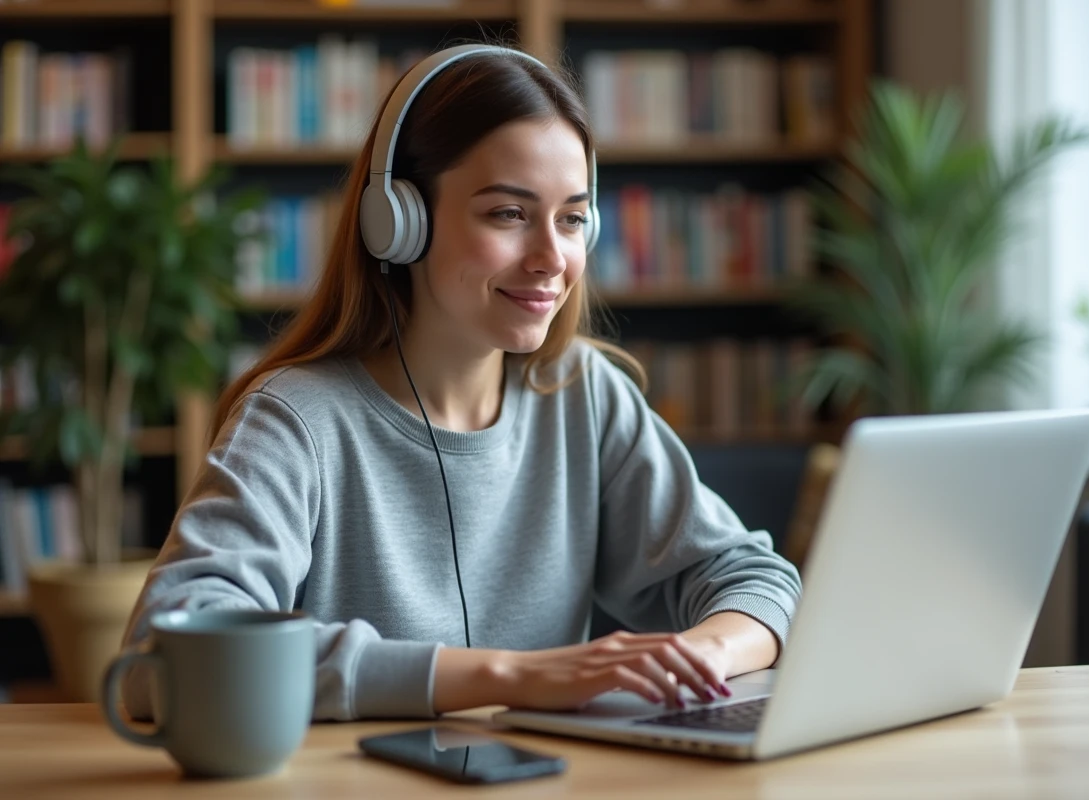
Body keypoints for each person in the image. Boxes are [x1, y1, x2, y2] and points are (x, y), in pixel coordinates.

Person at [121, 42, 802, 722]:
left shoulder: (583, 396)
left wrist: (703, 657)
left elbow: (755, 579)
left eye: (571, 219)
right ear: (398, 223)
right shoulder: (295, 419)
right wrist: (510, 676)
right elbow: (163, 653)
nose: (551, 259)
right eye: (507, 214)